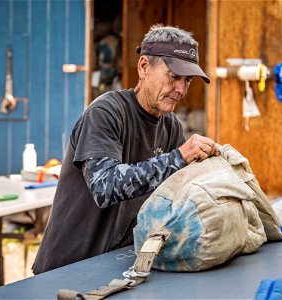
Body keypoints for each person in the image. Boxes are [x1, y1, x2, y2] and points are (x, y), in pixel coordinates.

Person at [32, 24, 219, 274]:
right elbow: (105, 187)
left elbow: (170, 195)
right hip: (70, 266)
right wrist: (180, 157)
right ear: (143, 67)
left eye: (188, 81)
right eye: (174, 77)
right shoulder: (105, 113)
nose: (182, 90)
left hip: (120, 261)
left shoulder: (172, 126)